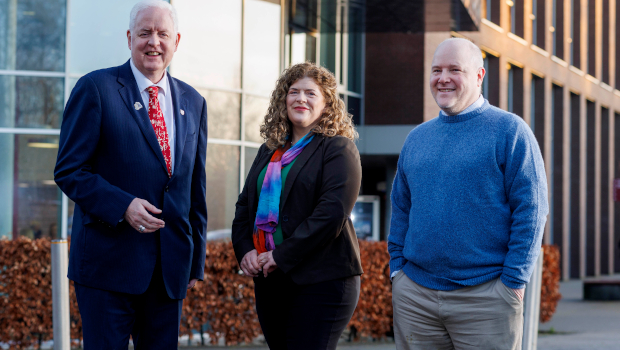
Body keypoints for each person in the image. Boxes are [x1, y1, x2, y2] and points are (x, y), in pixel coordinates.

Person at [54, 1, 208, 348]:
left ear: (176, 41)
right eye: (144, 33)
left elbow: (193, 189)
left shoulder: (194, 102)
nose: (154, 41)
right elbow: (69, 170)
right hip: (107, 267)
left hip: (168, 273)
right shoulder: (96, 88)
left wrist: (194, 263)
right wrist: (122, 205)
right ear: (129, 38)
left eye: (162, 34)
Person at [388, 38, 548, 350]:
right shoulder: (416, 139)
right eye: (436, 70)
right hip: (416, 297)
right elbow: (401, 209)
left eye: (454, 69)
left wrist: (513, 282)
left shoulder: (510, 131)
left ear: (479, 76)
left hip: (486, 297)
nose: (442, 78)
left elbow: (532, 209)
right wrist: (398, 271)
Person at [231, 62, 363, 350]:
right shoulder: (269, 150)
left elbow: (332, 214)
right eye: (294, 92)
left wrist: (281, 254)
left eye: (310, 93)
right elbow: (244, 208)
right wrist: (245, 251)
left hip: (322, 280)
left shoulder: (338, 148)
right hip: (271, 279)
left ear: (327, 104)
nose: (300, 98)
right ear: (284, 99)